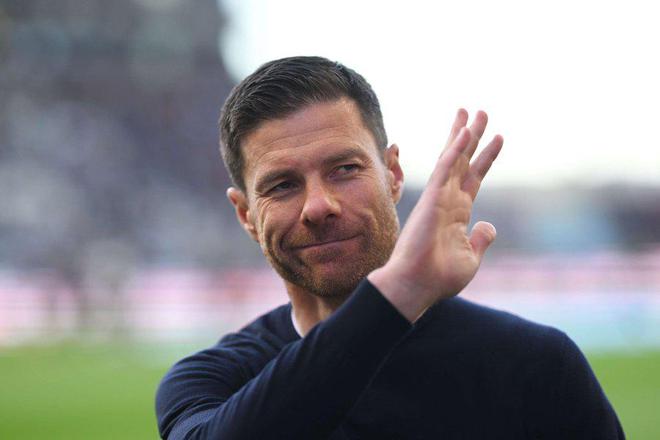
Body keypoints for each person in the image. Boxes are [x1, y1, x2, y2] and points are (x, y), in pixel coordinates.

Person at [156, 56, 624, 439]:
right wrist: (401, 289)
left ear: (394, 175)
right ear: (246, 215)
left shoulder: (534, 365)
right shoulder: (210, 380)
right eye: (282, 185)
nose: (318, 206)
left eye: (344, 169)